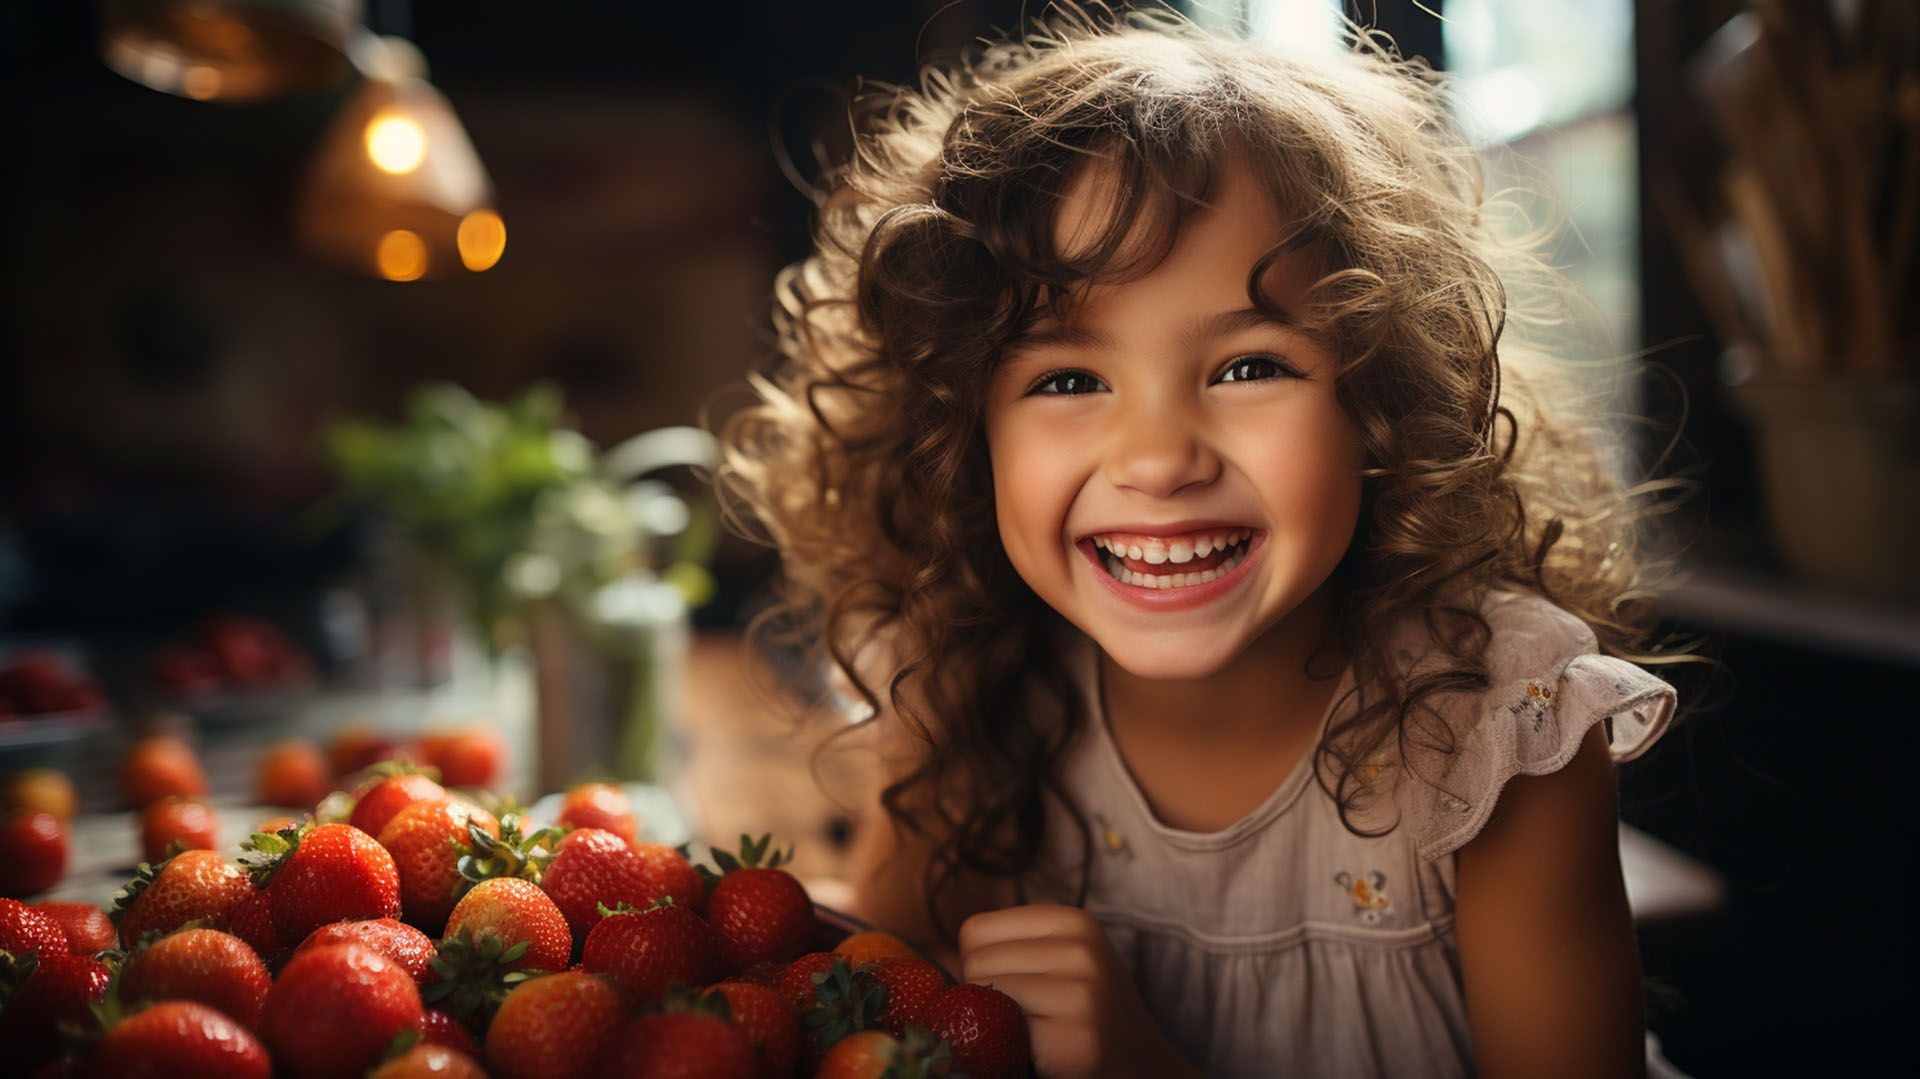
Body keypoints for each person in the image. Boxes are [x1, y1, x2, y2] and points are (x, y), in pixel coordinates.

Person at [722, 7, 1682, 1077]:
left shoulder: (1499, 730)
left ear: (1381, 401)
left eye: (1248, 366)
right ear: (962, 439)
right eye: (1068, 380)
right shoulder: (958, 678)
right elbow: (889, 978)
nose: (1159, 456)